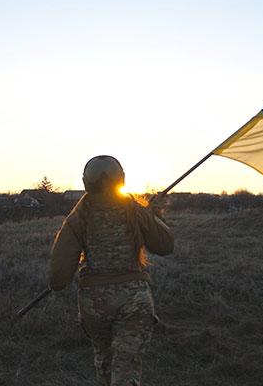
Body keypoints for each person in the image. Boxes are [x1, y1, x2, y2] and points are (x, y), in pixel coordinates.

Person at [48, 155, 174, 386]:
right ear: (121, 179)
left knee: (104, 360)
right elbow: (165, 246)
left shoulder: (77, 218)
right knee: (126, 365)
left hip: (94, 306)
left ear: (86, 182)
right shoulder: (135, 210)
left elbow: (58, 278)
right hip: (134, 301)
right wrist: (153, 216)